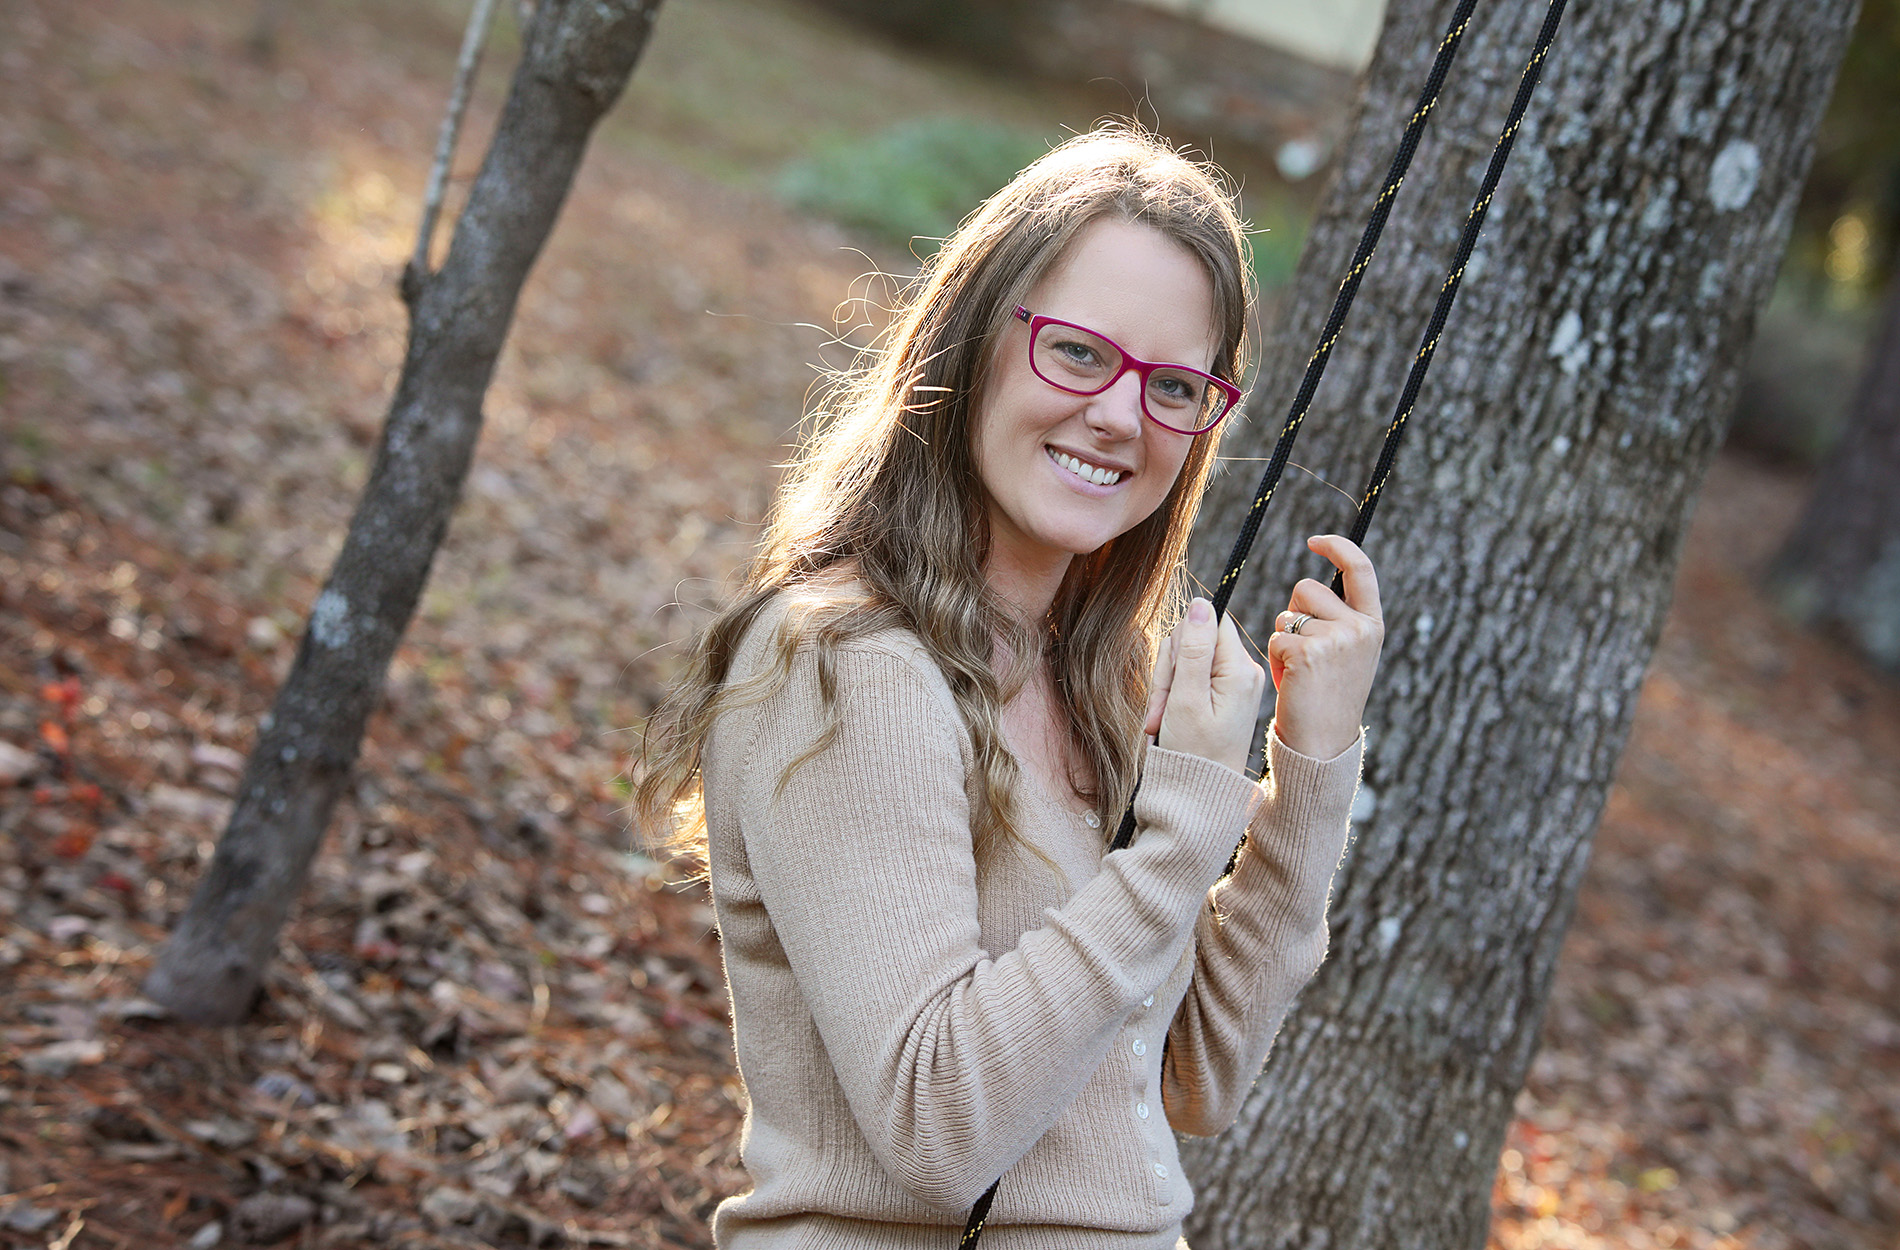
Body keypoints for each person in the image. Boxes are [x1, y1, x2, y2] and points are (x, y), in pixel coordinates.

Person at [635, 126, 1384, 1249]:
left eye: (1173, 385)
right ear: (975, 340)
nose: (1121, 416)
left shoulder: (1095, 677)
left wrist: (1306, 771)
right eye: (1078, 354)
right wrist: (1182, 820)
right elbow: (938, 1128)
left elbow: (1193, 1078)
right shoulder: (850, 664)